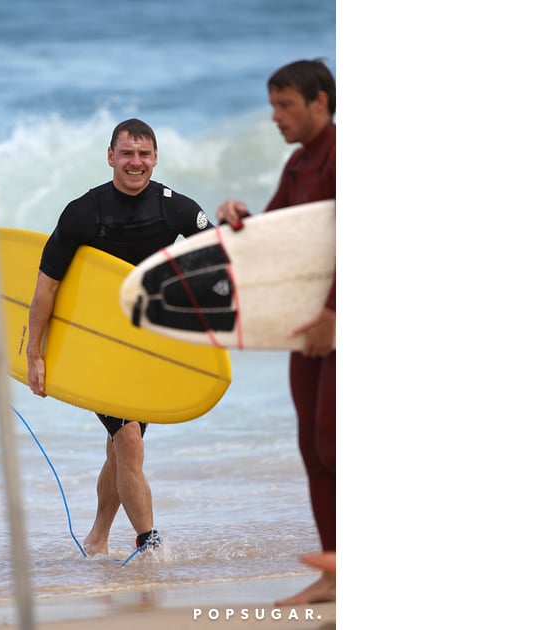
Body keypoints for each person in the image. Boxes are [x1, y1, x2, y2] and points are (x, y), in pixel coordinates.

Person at [27, 118, 213, 556]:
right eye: (127, 153)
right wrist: (34, 353)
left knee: (120, 448)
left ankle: (96, 538)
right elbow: (45, 288)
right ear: (110, 156)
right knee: (128, 440)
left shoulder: (176, 208)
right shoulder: (84, 212)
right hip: (95, 347)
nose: (135, 162)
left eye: (144, 154)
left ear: (155, 158)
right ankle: (150, 543)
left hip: (145, 348)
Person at [216, 58, 336, 604]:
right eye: (272, 104)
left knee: (337, 442)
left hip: (338, 325)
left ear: (320, 102)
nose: (274, 116)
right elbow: (275, 240)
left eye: (285, 104)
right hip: (306, 329)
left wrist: (337, 313)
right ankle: (336, 573)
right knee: (313, 447)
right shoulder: (296, 167)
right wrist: (238, 220)